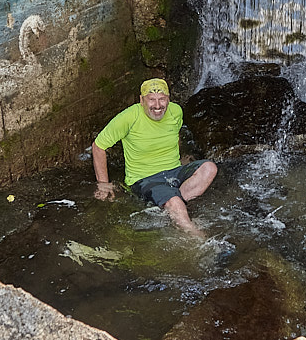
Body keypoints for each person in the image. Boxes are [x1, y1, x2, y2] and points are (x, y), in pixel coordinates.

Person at [92, 78, 217, 237]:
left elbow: (174, 133)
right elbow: (98, 146)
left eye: (162, 99)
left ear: (169, 99)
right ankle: (198, 239)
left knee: (209, 168)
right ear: (141, 100)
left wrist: (180, 160)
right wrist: (103, 184)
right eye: (151, 100)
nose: (157, 106)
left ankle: (170, 206)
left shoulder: (176, 111)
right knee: (176, 203)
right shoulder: (128, 118)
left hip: (173, 170)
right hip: (144, 179)